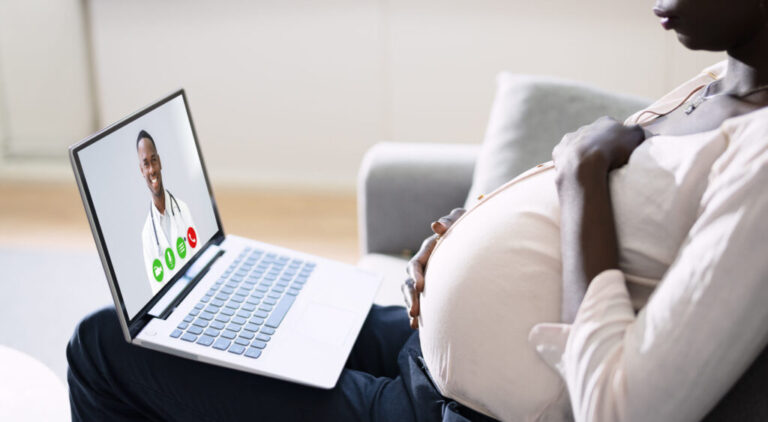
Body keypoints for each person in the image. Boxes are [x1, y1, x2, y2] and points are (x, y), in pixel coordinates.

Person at [67, 1, 768, 421]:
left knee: (103, 348)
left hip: (449, 411)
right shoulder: (718, 81)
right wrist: (468, 235)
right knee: (190, 317)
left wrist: (581, 177)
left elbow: (620, 411)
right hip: (415, 342)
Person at [137, 130, 198, 294]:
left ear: (160, 162)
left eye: (154, 161)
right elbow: (156, 290)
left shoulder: (183, 209)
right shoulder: (146, 234)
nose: (151, 170)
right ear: (142, 171)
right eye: (146, 165)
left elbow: (200, 258)